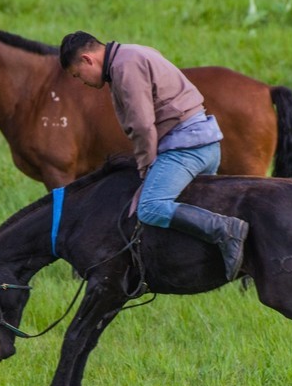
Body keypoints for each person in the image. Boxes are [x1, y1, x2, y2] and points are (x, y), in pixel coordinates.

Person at [59, 31, 248, 281]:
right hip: (204, 143)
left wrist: (146, 167)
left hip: (187, 148)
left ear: (87, 59)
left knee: (150, 207)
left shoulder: (124, 66)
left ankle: (227, 229)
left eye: (77, 74)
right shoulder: (132, 53)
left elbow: (142, 125)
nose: (81, 81)